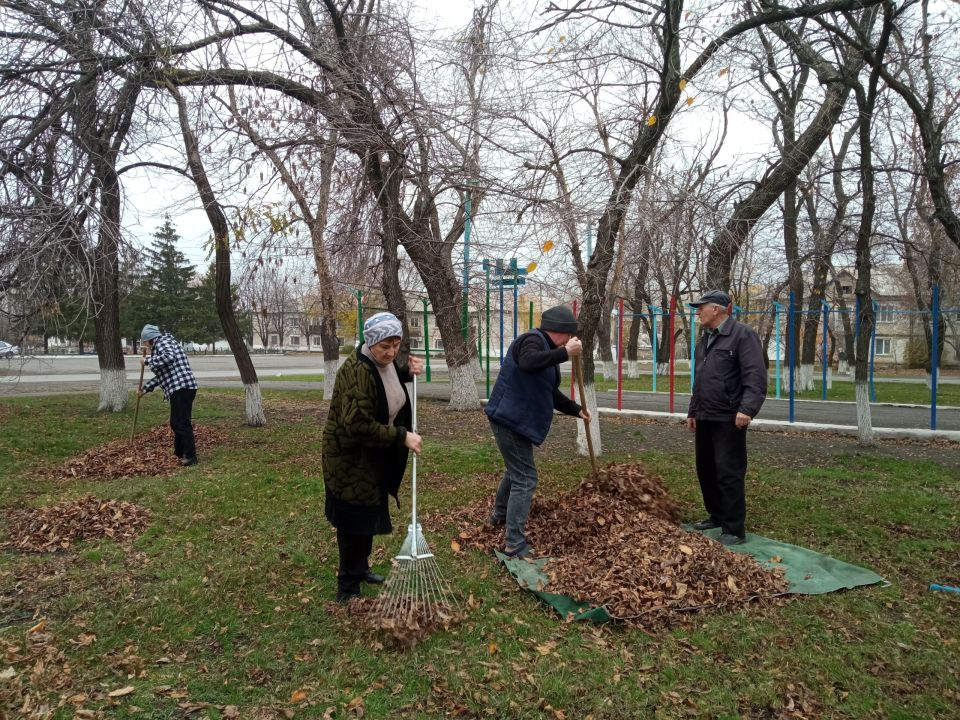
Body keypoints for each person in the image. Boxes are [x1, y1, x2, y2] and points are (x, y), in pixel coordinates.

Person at [322, 312, 424, 603]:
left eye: (396, 345)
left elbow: (386, 381)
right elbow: (357, 426)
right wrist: (402, 436)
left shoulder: (383, 363)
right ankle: (348, 587)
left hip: (372, 457)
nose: (391, 352)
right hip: (350, 460)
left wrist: (405, 370)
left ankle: (361, 568)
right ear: (370, 342)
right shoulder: (357, 372)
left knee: (367, 516)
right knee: (353, 522)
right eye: (385, 346)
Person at [485, 304, 591, 558]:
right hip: (509, 419)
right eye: (568, 335)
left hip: (516, 420)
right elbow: (528, 362)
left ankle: (498, 516)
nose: (569, 339)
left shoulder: (547, 348)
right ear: (559, 332)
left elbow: (549, 392)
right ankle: (514, 543)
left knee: (516, 472)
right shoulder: (531, 340)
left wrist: (577, 410)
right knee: (525, 478)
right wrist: (566, 352)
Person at [686, 290, 767, 546]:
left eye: (701, 307)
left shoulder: (742, 335)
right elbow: (700, 380)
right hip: (705, 414)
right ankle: (717, 515)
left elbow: (755, 376)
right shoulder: (705, 339)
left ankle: (734, 528)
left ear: (718, 309)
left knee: (729, 471)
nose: (697, 311)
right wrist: (693, 410)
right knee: (706, 469)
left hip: (729, 417)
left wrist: (747, 409)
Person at [138, 324, 200, 466]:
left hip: (181, 387)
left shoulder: (163, 342)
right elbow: (162, 375)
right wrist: (145, 389)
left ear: (150, 339)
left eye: (145, 341)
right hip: (182, 387)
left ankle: (191, 456)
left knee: (180, 423)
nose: (145, 345)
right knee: (178, 422)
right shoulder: (163, 344)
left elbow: (169, 357)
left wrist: (146, 361)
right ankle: (180, 452)